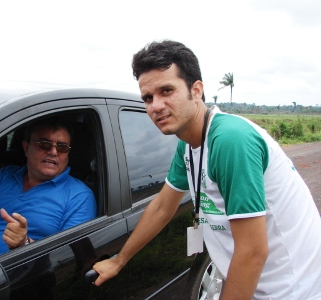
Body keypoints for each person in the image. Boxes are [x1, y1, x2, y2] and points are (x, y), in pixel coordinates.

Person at [92, 40, 321, 299]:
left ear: (197, 90)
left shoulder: (230, 140)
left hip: (290, 289)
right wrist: (119, 260)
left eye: (166, 91)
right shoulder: (188, 144)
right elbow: (162, 207)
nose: (155, 106)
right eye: (148, 98)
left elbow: (252, 251)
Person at [0, 118, 97, 256]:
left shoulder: (79, 196)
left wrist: (24, 244)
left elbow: (66, 257)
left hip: (18, 282)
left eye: (62, 147)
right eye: (45, 144)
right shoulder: (5, 174)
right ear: (26, 148)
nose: (54, 152)